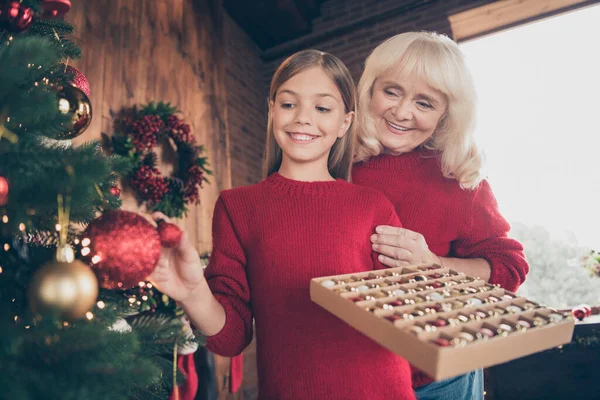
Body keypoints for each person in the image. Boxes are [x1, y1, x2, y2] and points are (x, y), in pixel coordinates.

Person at [150, 49, 416, 400]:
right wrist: (192, 292)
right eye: (289, 104)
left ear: (345, 123)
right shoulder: (237, 207)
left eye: (322, 108)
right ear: (271, 109)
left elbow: (408, 319)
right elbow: (231, 339)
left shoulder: (373, 206)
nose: (303, 118)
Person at [351, 31, 530, 400]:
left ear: (447, 112)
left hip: (439, 378)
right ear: (370, 89)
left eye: (425, 102)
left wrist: (432, 265)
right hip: (353, 373)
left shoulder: (459, 178)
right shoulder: (337, 162)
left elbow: (510, 266)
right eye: (392, 91)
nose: (402, 112)